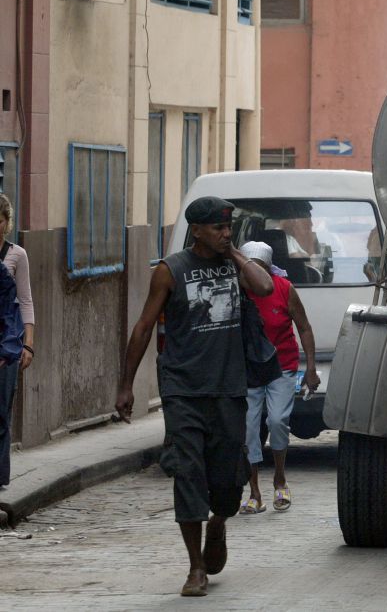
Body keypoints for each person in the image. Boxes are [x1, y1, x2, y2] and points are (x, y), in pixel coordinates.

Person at [116, 196, 273, 597]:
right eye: (218, 228)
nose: (225, 233)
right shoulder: (171, 271)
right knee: (187, 472)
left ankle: (218, 523)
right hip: (183, 390)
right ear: (196, 230)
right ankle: (195, 567)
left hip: (229, 389)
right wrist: (126, 384)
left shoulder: (235, 266)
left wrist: (235, 254)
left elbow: (266, 286)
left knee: (226, 481)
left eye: (229, 228)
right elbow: (143, 327)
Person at [237, 241, 320, 515]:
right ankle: (254, 493)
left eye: (259, 269)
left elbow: (304, 328)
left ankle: (280, 479)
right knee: (248, 429)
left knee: (277, 420)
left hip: (282, 366)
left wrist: (310, 369)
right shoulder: (237, 291)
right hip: (248, 370)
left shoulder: (284, 289)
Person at [0, 193, 33, 488]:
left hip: (7, 343)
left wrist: (28, 344)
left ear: (7, 223)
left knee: (2, 409)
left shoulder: (16, 255)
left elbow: (25, 301)